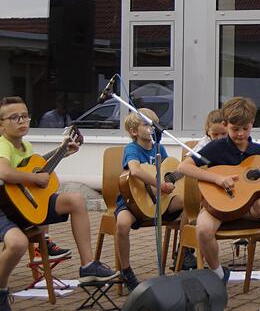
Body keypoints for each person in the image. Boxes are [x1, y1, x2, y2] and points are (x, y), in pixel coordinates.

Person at [0, 96, 118, 310]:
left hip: (25, 207)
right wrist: (36, 179)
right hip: (4, 209)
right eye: (14, 117)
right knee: (17, 244)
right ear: (1, 124)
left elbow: (34, 167)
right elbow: (5, 173)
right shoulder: (3, 144)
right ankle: (1, 291)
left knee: (75, 200)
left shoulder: (25, 145)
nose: (21, 121)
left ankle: (88, 266)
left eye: (25, 116)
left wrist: (62, 153)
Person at [177, 97, 260, 287]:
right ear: (226, 125)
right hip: (219, 206)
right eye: (235, 129)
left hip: (248, 208)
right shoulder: (216, 147)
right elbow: (184, 167)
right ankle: (218, 273)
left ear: (252, 124)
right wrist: (218, 179)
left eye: (245, 128)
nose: (241, 134)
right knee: (202, 229)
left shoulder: (258, 151)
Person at [114, 108, 184, 291]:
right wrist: (160, 185)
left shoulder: (160, 148)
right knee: (122, 224)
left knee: (187, 205)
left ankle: (184, 254)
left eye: (154, 124)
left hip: (158, 202)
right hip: (132, 203)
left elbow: (170, 170)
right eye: (146, 124)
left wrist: (185, 171)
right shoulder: (132, 149)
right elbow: (135, 171)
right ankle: (126, 270)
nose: (152, 128)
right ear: (134, 131)